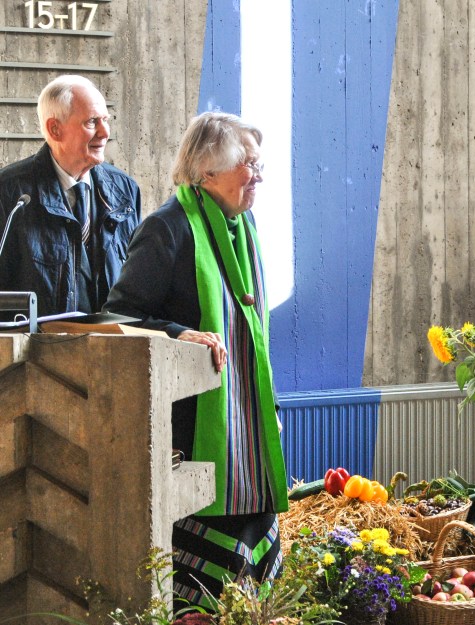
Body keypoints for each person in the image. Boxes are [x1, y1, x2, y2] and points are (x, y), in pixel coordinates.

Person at [104, 112, 288, 608]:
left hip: (245, 435)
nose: (259, 175)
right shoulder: (166, 229)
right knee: (199, 604)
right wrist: (181, 332)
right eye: (249, 164)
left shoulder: (241, 227)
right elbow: (117, 314)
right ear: (208, 172)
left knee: (253, 598)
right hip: (193, 436)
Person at [0, 74, 141, 316]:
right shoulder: (10, 193)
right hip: (40, 350)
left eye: (106, 120)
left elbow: (141, 284)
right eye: (92, 122)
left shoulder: (125, 190)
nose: (105, 132)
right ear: (55, 129)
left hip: (115, 349)